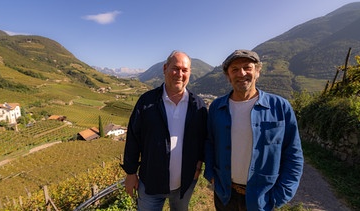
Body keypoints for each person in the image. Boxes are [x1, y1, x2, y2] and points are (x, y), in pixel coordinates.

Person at [204, 49, 304, 211]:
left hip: (262, 199)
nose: (241, 73)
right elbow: (209, 143)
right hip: (225, 196)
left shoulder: (280, 107)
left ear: (257, 71)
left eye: (247, 67)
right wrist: (211, 175)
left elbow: (293, 154)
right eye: (234, 69)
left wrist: (282, 193)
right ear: (228, 76)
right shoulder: (217, 107)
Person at [121, 50, 208, 211]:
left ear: (189, 73)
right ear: (165, 68)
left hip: (185, 185)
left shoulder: (198, 106)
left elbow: (204, 140)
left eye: (184, 70)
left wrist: (197, 169)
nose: (179, 74)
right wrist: (131, 173)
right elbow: (133, 138)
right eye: (175, 68)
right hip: (151, 183)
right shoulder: (146, 102)